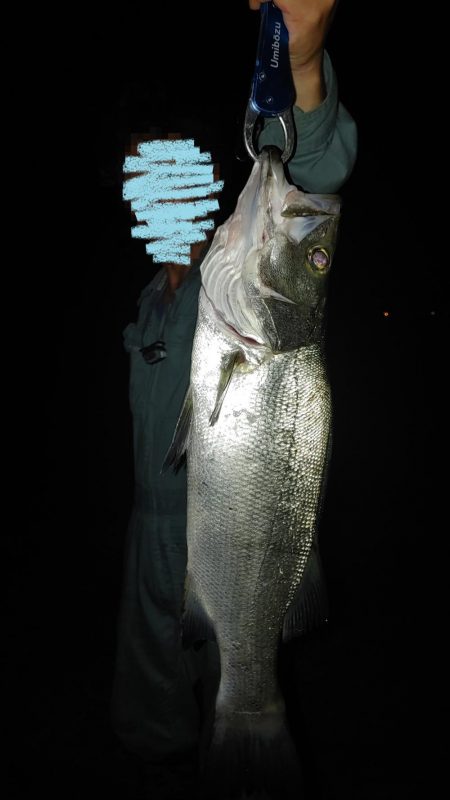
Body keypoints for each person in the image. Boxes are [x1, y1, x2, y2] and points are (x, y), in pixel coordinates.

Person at [110, 1, 357, 797]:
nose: (151, 192)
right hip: (146, 551)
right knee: (149, 733)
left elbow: (313, 174)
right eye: (137, 177)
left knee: (233, 723)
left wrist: (303, 69)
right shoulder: (148, 305)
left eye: (167, 174)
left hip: (223, 538)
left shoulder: (230, 276)